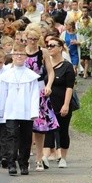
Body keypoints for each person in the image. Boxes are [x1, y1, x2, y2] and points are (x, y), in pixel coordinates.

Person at [0, 43, 40, 176]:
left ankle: (24, 163)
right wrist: (0, 110)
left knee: (26, 138)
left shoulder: (31, 75)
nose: (19, 56)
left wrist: (34, 112)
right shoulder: (6, 75)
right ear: (12, 56)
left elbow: (34, 95)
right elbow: (2, 93)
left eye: (22, 53)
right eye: (16, 53)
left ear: (26, 56)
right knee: (12, 136)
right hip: (11, 110)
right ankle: (11, 163)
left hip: (26, 111)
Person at [22, 25, 59, 172]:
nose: (32, 41)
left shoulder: (42, 52)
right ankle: (24, 157)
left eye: (35, 39)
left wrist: (48, 85)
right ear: (26, 37)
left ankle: (39, 159)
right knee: (24, 125)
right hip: (24, 88)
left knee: (39, 126)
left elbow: (50, 72)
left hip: (38, 88)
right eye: (30, 38)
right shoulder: (21, 51)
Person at [45, 37, 76, 168]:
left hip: (62, 101)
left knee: (62, 130)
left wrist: (66, 104)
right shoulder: (45, 63)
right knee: (47, 130)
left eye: (53, 45)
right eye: (48, 45)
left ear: (60, 48)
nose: (50, 48)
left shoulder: (67, 66)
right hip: (47, 103)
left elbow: (70, 87)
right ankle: (45, 156)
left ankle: (62, 157)